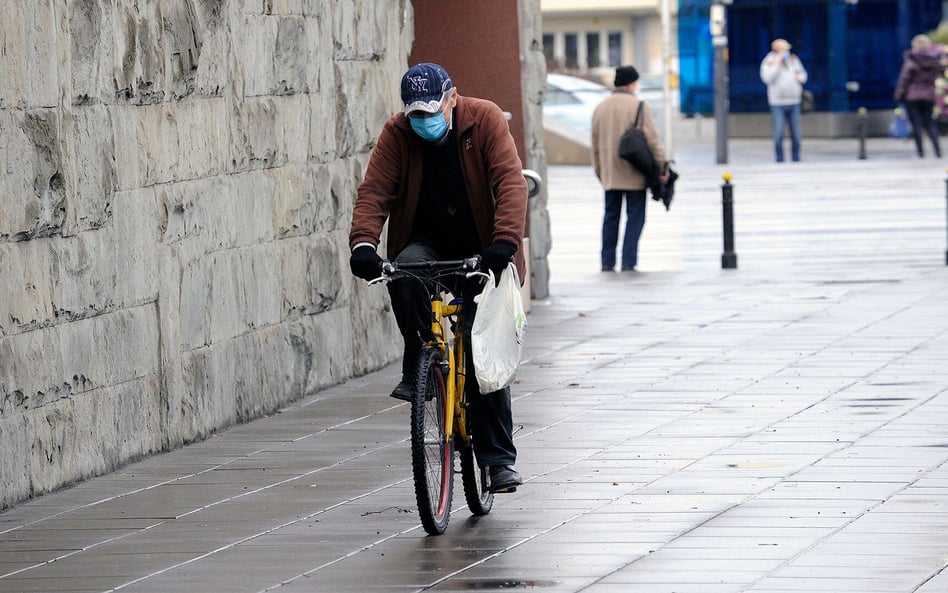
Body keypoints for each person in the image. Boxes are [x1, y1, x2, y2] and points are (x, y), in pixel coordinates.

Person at [348, 62, 526, 493]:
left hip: (480, 246)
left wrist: (504, 242)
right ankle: (421, 364)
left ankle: (498, 460)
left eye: (431, 111)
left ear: (452, 98)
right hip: (426, 241)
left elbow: (510, 182)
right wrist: (363, 245)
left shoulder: (483, 119)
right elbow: (375, 191)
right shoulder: (398, 132)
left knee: (482, 353)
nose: (423, 121)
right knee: (404, 278)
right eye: (416, 115)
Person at [591, 65, 668, 273]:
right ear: (631, 83)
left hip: (609, 173)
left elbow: (595, 145)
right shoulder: (639, 107)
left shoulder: (600, 108)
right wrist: (662, 166)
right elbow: (652, 141)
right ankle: (628, 261)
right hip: (634, 171)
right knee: (635, 216)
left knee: (610, 216)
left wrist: (600, 172)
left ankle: (607, 261)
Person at [759, 39, 808, 162]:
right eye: (783, 49)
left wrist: (800, 78)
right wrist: (777, 63)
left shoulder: (793, 60)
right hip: (777, 103)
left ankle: (796, 158)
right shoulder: (769, 61)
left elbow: (803, 74)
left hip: (794, 101)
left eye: (787, 49)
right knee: (779, 133)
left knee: (796, 134)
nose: (786, 51)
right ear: (776, 49)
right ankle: (779, 159)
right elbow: (767, 78)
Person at [895, 34, 943, 158]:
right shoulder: (934, 61)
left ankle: (920, 152)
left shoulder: (911, 61)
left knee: (916, 124)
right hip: (928, 96)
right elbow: (938, 76)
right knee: (930, 123)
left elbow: (904, 80)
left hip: (912, 97)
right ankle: (937, 151)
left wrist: (898, 96)